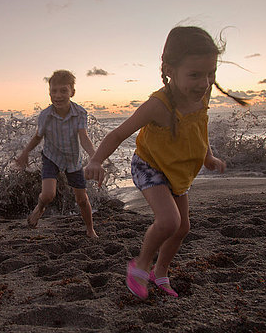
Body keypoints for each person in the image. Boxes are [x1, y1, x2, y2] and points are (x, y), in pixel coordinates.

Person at [84, 26, 247, 298]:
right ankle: (141, 264)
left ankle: (160, 272)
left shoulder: (202, 94)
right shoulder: (158, 105)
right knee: (169, 221)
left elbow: (200, 128)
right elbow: (119, 133)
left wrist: (207, 156)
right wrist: (96, 160)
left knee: (183, 227)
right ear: (169, 69)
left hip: (178, 169)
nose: (204, 83)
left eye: (210, 74)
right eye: (195, 75)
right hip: (150, 166)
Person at [15, 70, 98, 238]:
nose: (58, 95)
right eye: (54, 91)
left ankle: (90, 229)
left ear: (72, 92)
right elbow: (38, 137)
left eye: (63, 91)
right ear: (49, 92)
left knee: (82, 200)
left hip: (73, 159)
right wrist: (25, 153)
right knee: (48, 195)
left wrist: (95, 158)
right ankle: (40, 208)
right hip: (51, 157)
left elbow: (84, 137)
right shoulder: (45, 115)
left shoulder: (80, 113)